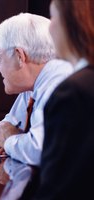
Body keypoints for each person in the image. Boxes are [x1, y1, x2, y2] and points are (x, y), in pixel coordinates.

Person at [0, 13, 73, 166]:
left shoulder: (61, 84)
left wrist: (10, 141)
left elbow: (39, 151)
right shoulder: (32, 86)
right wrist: (15, 141)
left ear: (19, 56)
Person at [32, 0, 94, 199]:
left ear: (72, 21)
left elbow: (58, 190)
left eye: (52, 16)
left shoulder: (73, 92)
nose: (49, 27)